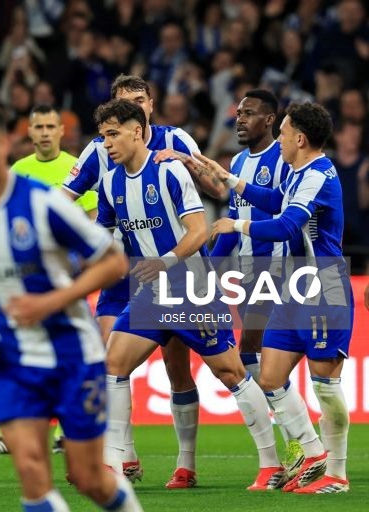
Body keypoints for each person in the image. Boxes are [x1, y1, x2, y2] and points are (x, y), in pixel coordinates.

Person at [0, 104, 141, 512]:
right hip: (11, 360)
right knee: (31, 474)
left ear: (1, 143)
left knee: (87, 478)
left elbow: (113, 261)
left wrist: (50, 301)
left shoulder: (45, 203)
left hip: (72, 355)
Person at [94, 99, 283, 491]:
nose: (107, 143)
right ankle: (112, 463)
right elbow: (103, 235)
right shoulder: (110, 182)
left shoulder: (168, 173)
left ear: (136, 131)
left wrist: (164, 261)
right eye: (102, 136)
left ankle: (271, 463)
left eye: (113, 134)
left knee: (230, 372)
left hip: (190, 289)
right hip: (150, 292)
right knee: (113, 363)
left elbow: (199, 231)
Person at [63, 74, 224, 488]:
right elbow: (67, 196)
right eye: (124, 101)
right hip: (122, 271)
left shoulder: (178, 141)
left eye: (140, 100)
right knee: (111, 358)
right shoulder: (101, 148)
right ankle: (124, 458)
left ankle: (185, 463)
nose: (134, 106)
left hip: (172, 272)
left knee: (177, 368)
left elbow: (215, 189)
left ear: (150, 105)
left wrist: (191, 165)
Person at [207, 101, 354, 493]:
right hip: (293, 287)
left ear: (300, 139)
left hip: (325, 286)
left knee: (324, 384)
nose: (282, 139)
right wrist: (232, 181)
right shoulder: (297, 171)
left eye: (286, 132)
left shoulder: (318, 176)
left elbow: (289, 226)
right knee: (270, 377)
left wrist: (234, 223)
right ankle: (313, 454)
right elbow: (275, 202)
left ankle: (337, 474)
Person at [0, 103, 97, 455]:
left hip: (65, 279)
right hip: (27, 279)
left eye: (50, 126)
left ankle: (65, 430)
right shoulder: (18, 170)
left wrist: (75, 258)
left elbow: (91, 217)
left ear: (62, 131)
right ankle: (13, 431)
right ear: (28, 133)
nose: (44, 132)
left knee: (66, 353)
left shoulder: (76, 168)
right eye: (38, 127)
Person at [208, 89, 304, 472]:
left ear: (269, 120)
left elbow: (283, 215)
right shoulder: (237, 163)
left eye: (249, 113)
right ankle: (297, 439)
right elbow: (231, 227)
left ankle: (300, 444)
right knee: (255, 358)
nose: (240, 119)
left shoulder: (281, 159)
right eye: (238, 113)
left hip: (277, 270)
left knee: (256, 354)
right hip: (247, 273)